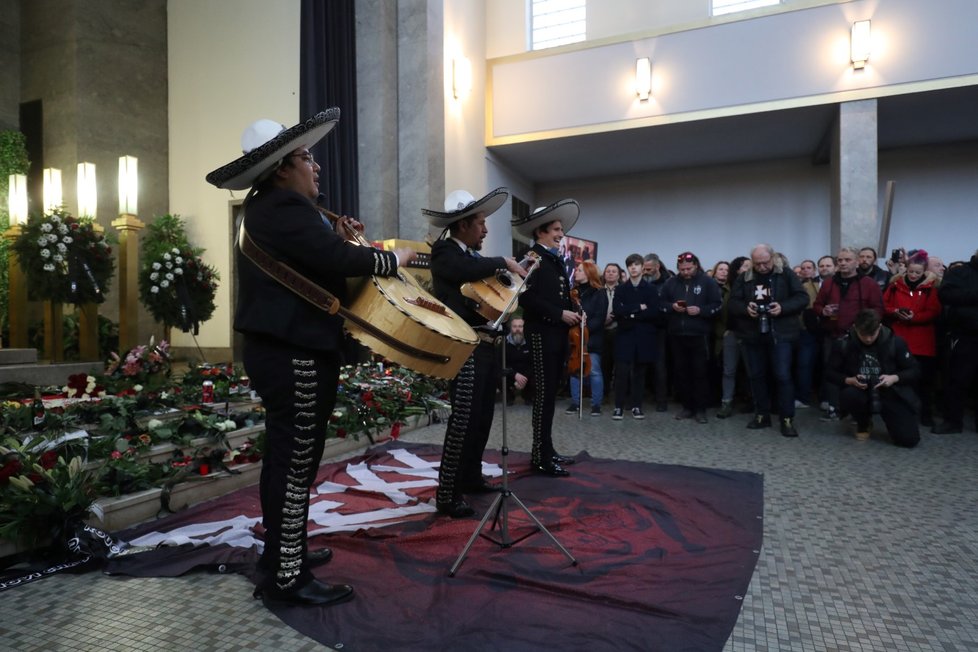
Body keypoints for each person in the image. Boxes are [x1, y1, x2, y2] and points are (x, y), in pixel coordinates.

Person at [206, 110, 417, 607]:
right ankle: (287, 576)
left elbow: (321, 258)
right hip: (293, 353)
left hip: (285, 350)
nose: (316, 166)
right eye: (307, 157)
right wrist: (393, 257)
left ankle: (284, 553)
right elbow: (341, 263)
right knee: (296, 463)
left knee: (286, 459)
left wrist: (339, 240)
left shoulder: (271, 208)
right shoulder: (282, 207)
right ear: (282, 167)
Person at [423, 188, 527, 518]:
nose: (485, 229)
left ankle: (469, 477)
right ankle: (447, 493)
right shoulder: (444, 252)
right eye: (481, 223)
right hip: (464, 348)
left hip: (485, 347)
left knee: (482, 418)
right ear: (464, 225)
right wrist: (504, 262)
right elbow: (462, 272)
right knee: (463, 421)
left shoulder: (470, 258)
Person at [514, 200, 582, 477]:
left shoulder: (553, 257)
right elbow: (525, 296)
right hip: (542, 333)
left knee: (550, 395)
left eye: (560, 229)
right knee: (543, 396)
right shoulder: (531, 256)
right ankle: (539, 456)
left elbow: (560, 294)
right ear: (541, 231)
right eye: (556, 229)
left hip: (556, 333)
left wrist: (575, 312)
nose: (560, 234)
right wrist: (559, 314)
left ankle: (547, 450)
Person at [728, 244, 809, 437]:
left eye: (765, 263)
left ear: (772, 258)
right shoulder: (744, 278)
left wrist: (783, 307)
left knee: (782, 376)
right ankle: (761, 415)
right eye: (758, 264)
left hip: (780, 334)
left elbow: (802, 298)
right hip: (752, 334)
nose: (762, 267)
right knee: (756, 376)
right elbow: (732, 303)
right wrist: (745, 309)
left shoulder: (786, 274)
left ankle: (787, 418)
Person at [826, 309, 921, 446]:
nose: (868, 339)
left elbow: (915, 370)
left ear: (880, 327)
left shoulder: (896, 342)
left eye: (872, 334)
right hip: (860, 390)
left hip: (890, 391)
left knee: (908, 440)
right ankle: (863, 423)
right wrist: (849, 380)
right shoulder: (843, 344)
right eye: (863, 334)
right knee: (849, 395)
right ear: (855, 328)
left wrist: (894, 378)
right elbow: (830, 373)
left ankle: (892, 420)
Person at [813, 246, 884, 420]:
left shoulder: (869, 284)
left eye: (847, 260)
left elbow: (879, 309)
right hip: (832, 335)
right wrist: (824, 311)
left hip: (858, 337)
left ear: (857, 262)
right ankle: (833, 408)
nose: (843, 263)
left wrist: (866, 327)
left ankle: (856, 411)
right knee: (831, 371)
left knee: (858, 372)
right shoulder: (829, 283)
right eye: (840, 260)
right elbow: (817, 305)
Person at [659, 252, 722, 423]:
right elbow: (660, 304)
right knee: (681, 372)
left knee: (700, 373)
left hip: (699, 334)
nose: (686, 272)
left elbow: (717, 305)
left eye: (689, 268)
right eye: (682, 269)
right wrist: (672, 307)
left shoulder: (707, 282)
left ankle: (701, 409)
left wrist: (701, 311)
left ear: (696, 265)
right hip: (677, 335)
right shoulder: (670, 283)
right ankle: (687, 407)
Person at [882, 250, 942, 426]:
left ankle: (925, 414)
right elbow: (884, 305)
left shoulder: (930, 289)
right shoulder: (894, 286)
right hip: (900, 338)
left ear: (924, 272)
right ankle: (902, 412)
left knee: (925, 381)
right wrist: (896, 312)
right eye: (911, 272)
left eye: (918, 272)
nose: (914, 275)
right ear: (906, 270)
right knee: (899, 378)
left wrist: (914, 317)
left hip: (923, 340)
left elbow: (933, 311)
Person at [932, 248, 978, 434]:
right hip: (964, 334)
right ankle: (952, 421)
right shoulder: (959, 272)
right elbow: (946, 295)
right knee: (957, 379)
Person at [612, 253, 660, 420]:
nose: (633, 268)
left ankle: (636, 406)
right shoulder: (621, 289)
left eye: (636, 265)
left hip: (644, 336)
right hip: (625, 335)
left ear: (642, 267)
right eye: (630, 265)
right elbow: (617, 311)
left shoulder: (651, 289)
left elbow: (654, 312)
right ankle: (618, 406)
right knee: (622, 372)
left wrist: (630, 313)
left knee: (640, 373)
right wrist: (639, 307)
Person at [567, 260, 608, 416]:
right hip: (574, 337)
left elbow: (600, 317)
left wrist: (585, 326)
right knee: (574, 370)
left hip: (592, 338)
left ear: (589, 274)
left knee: (595, 371)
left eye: (580, 270)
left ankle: (596, 405)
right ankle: (575, 403)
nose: (576, 272)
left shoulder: (600, 293)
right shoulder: (573, 293)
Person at [642, 253, 672, 411]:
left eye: (649, 269)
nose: (646, 272)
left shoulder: (668, 283)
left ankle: (661, 400)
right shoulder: (642, 282)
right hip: (643, 328)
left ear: (657, 267)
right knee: (640, 364)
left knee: (660, 365)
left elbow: (668, 305)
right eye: (644, 269)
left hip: (660, 329)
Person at [600, 262, 623, 391]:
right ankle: (605, 393)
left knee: (619, 365)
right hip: (601, 331)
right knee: (604, 365)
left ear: (619, 275)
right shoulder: (598, 290)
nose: (610, 273)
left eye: (614, 271)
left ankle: (619, 394)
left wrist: (613, 316)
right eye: (608, 271)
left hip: (617, 330)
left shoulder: (623, 290)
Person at [504, 316, 533, 405]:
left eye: (520, 326)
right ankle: (509, 396)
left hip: (526, 375)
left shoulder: (530, 342)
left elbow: (533, 363)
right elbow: (501, 363)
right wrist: (515, 375)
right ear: (510, 328)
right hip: (511, 374)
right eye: (515, 326)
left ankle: (528, 396)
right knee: (498, 374)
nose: (517, 329)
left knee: (537, 373)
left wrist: (524, 378)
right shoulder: (504, 343)